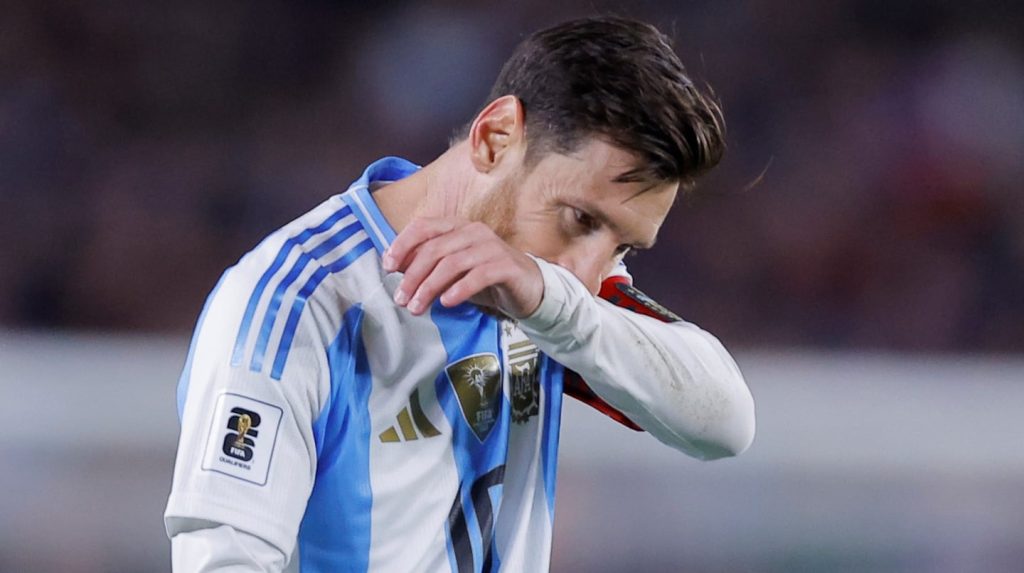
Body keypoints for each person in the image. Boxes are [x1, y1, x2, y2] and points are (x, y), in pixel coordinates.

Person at [164, 15, 755, 572]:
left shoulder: (554, 298)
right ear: (495, 138)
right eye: (580, 218)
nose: (586, 273)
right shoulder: (297, 304)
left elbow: (725, 422)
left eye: (624, 246)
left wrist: (554, 307)